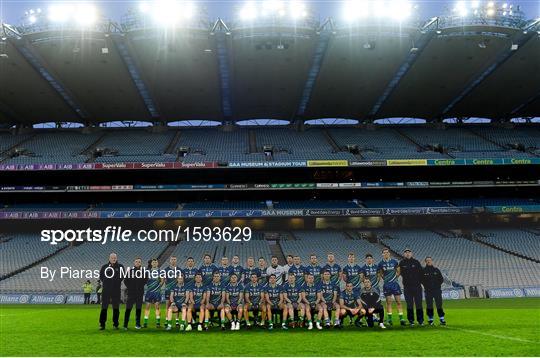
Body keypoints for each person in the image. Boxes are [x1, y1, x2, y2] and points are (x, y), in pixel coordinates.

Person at [378, 248, 405, 326]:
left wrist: (395, 278)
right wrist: (386, 279)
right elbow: (381, 274)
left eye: (387, 252)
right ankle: (389, 319)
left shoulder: (394, 262)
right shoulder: (380, 264)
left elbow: (399, 271)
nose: (386, 254)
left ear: (389, 253)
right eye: (384, 253)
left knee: (399, 302)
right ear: (382, 254)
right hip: (387, 285)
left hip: (395, 284)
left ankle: (401, 318)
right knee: (388, 302)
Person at [399, 249, 424, 326]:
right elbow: (400, 273)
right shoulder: (402, 263)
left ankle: (420, 321)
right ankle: (411, 321)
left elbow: (421, 273)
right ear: (404, 254)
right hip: (407, 287)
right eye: (406, 252)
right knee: (409, 304)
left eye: (409, 252)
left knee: (419, 304)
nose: (407, 253)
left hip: (417, 287)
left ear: (411, 254)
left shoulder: (416, 262)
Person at [99, 252, 124, 330]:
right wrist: (108, 283)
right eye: (112, 257)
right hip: (106, 290)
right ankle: (102, 324)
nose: (113, 259)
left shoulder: (120, 267)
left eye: (115, 258)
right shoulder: (104, 267)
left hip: (116, 290)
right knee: (104, 307)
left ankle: (115, 324)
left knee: (116, 308)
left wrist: (114, 282)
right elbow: (101, 277)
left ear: (116, 258)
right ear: (109, 258)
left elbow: (122, 277)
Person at [123, 257, 147, 330]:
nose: (137, 263)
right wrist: (130, 287)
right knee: (128, 309)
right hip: (131, 293)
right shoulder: (130, 271)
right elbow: (125, 280)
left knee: (138, 309)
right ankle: (125, 325)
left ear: (141, 263)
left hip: (139, 293)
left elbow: (145, 280)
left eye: (139, 262)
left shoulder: (143, 271)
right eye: (136, 261)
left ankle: (137, 324)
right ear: (134, 263)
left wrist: (140, 286)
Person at [421, 257, 446, 326]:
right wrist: (426, 286)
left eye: (430, 260)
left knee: (439, 304)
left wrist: (437, 285)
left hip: (437, 290)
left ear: (432, 261)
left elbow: (441, 279)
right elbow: (422, 280)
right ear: (425, 262)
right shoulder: (423, 271)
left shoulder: (436, 270)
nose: (429, 261)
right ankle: (430, 319)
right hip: (428, 291)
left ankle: (442, 319)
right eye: (427, 261)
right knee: (429, 305)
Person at [143, 259, 164, 328]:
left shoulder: (160, 271)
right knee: (147, 307)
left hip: (157, 292)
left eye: (156, 262)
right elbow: (145, 280)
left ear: (157, 263)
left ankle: (158, 323)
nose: (154, 263)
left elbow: (162, 280)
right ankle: (145, 323)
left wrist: (158, 287)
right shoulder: (147, 271)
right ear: (151, 264)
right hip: (149, 292)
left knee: (157, 307)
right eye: (153, 262)